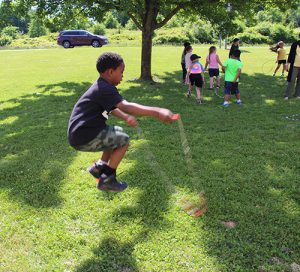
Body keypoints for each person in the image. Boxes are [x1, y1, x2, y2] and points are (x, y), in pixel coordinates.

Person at [67, 52, 177, 192]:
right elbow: (126, 106)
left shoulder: (101, 86)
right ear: (110, 72)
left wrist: (125, 118)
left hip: (81, 133)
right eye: (121, 72)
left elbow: (112, 108)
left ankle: (99, 167)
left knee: (115, 132)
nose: (122, 76)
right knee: (123, 140)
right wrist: (157, 112)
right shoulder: (105, 88)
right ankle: (107, 180)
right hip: (83, 136)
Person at [284, 34, 300, 100]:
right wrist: (287, 64)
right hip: (295, 65)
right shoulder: (295, 44)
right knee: (292, 79)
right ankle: (287, 95)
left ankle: (297, 94)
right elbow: (290, 54)